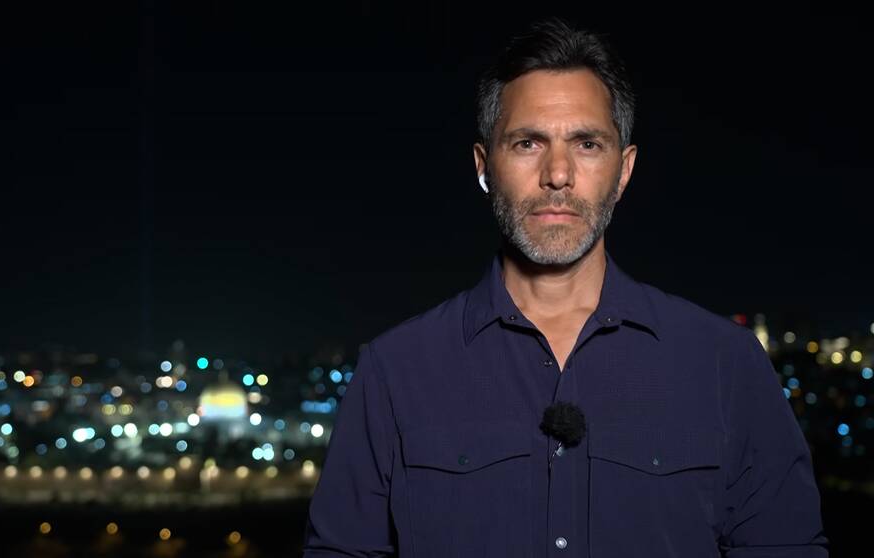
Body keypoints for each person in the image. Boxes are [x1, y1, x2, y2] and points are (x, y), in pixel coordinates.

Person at [302, 17, 828, 558]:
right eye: (528, 143)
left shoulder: (726, 365)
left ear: (623, 171)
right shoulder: (393, 372)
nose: (558, 174)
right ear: (484, 167)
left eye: (587, 144)